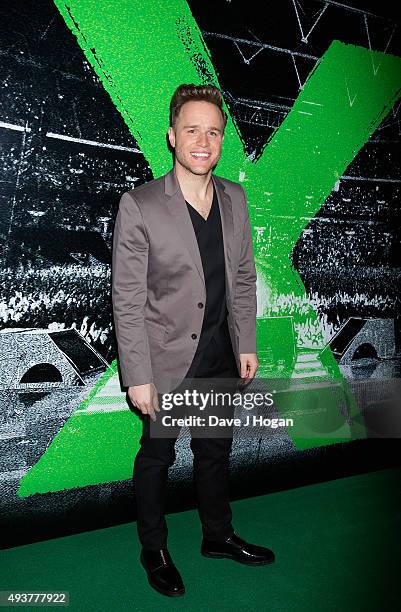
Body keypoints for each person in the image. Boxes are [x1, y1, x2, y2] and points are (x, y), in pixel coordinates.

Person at [112, 84, 275, 597]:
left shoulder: (235, 197)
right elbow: (128, 299)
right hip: (165, 360)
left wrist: (245, 342)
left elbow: (243, 278)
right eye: (192, 130)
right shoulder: (139, 205)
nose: (203, 141)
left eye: (213, 131)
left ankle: (217, 536)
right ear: (171, 137)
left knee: (214, 453)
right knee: (157, 458)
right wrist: (137, 376)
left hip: (221, 352)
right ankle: (153, 547)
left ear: (221, 139)